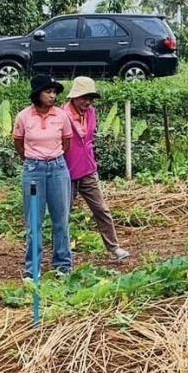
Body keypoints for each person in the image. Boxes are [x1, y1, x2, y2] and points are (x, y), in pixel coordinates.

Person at [63, 76, 129, 262]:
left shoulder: (91, 113)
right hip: (67, 172)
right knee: (64, 214)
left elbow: (90, 139)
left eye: (90, 98)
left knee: (101, 210)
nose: (87, 102)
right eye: (84, 97)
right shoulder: (62, 114)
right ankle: (62, 252)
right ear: (74, 97)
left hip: (88, 170)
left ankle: (114, 248)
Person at [14, 75, 74, 277]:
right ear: (37, 94)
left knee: (61, 219)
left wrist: (52, 157)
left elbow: (67, 142)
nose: (52, 96)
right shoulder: (23, 116)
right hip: (33, 171)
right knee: (34, 221)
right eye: (48, 91)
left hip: (58, 168)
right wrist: (34, 159)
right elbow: (19, 143)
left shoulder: (61, 116)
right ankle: (33, 269)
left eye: (54, 92)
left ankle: (63, 266)